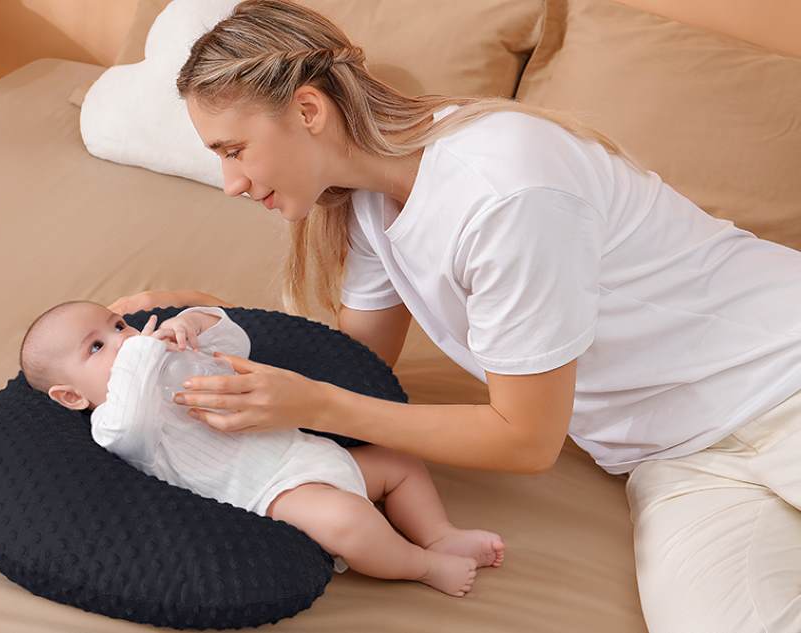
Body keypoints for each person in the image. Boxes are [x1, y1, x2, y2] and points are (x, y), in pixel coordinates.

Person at [109, 1, 801, 631]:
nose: (231, 182)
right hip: (679, 456)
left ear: (310, 111)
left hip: (785, 372)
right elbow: (358, 360)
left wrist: (320, 400)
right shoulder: (371, 198)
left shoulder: (503, 192)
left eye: (234, 150)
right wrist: (200, 317)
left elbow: (525, 439)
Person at [17, 299, 505, 597]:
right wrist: (140, 358)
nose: (123, 341)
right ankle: (422, 565)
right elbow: (132, 422)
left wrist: (194, 322)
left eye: (118, 326)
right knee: (347, 522)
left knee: (398, 459)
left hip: (312, 454)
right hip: (274, 493)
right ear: (72, 396)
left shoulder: (175, 364)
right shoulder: (114, 423)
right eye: (96, 348)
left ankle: (438, 532)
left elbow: (238, 346)